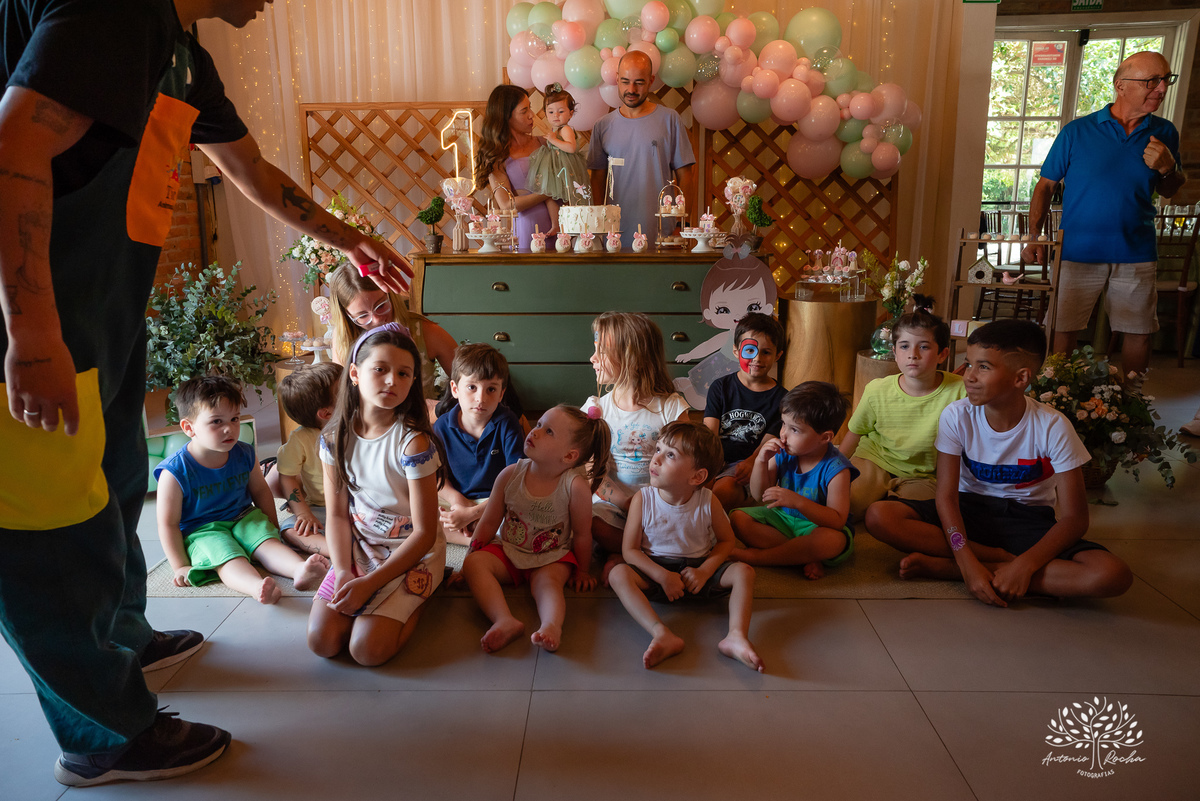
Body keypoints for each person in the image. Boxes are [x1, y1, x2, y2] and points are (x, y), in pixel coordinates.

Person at [0, 0, 404, 787]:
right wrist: (33, 330)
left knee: (115, 479)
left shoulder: (181, 51)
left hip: (102, 306)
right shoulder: (116, 11)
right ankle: (103, 733)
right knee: (50, 523)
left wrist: (346, 237)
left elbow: (251, 172)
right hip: (40, 306)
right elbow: (13, 142)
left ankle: (120, 634)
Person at [865, 320, 1133, 605]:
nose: (968, 376)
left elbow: (1075, 519)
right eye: (968, 364)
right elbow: (945, 498)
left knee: (1112, 575)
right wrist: (967, 559)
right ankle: (985, 562)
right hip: (967, 513)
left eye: (983, 367)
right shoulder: (957, 416)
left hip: (1027, 521)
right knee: (880, 516)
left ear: (1021, 378)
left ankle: (952, 569)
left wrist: (1026, 565)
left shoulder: (1052, 426)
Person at [1022, 50, 1187, 379]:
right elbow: (1044, 187)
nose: (1161, 88)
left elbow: (1170, 189)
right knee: (1063, 329)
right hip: (1076, 252)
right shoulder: (1077, 132)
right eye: (1151, 81)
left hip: (1136, 251)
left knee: (1138, 331)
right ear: (1120, 85)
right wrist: (1035, 235)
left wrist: (1169, 169)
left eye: (1165, 80)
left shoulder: (1165, 132)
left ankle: (1134, 404)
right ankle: (1055, 398)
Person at [307, 324, 448, 666]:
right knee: (321, 642)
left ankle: (424, 592)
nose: (391, 381)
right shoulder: (334, 438)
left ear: (413, 382)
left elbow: (425, 532)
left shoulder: (413, 442)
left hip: (412, 552)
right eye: (380, 369)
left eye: (403, 374)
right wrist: (342, 571)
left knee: (367, 651)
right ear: (354, 373)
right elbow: (338, 515)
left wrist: (371, 584)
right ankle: (365, 595)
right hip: (360, 545)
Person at [155, 376, 329, 603]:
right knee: (227, 556)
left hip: (243, 517)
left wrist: (272, 529)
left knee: (266, 542)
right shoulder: (175, 471)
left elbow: (261, 492)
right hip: (203, 529)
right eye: (217, 422)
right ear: (189, 427)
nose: (229, 429)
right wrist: (180, 565)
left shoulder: (244, 453)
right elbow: (167, 523)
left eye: (234, 419)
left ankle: (298, 570)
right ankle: (256, 586)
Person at [608, 421, 762, 672]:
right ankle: (661, 633)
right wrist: (662, 576)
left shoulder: (707, 500)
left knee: (744, 572)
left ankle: (736, 636)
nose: (655, 459)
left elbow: (726, 541)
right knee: (618, 573)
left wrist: (705, 571)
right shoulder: (642, 499)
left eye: (670, 455)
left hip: (699, 571)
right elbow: (630, 551)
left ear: (697, 476)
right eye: (658, 449)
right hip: (655, 572)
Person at [461, 405, 609, 653]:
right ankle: (503, 619)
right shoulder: (510, 475)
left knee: (548, 585)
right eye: (539, 424)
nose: (535, 432)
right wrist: (470, 557)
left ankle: (551, 626)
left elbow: (583, 534)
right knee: (474, 565)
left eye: (548, 431)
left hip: (551, 557)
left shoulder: (575, 487)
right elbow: (488, 523)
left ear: (570, 456)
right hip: (509, 549)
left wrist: (582, 571)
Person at [583, 312, 691, 577]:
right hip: (616, 507)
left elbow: (688, 463)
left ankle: (627, 554)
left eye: (601, 352)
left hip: (662, 504)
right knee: (590, 521)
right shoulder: (596, 410)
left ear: (633, 358)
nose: (592, 358)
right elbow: (590, 471)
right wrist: (627, 503)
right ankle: (639, 554)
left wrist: (661, 505)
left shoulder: (671, 407)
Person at [840, 297, 966, 523]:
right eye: (905, 346)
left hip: (925, 474)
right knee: (845, 503)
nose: (913, 354)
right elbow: (855, 433)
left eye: (924, 347)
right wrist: (831, 470)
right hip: (874, 459)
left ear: (942, 354)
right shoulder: (878, 389)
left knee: (908, 516)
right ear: (895, 352)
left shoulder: (959, 391)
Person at [729, 381, 858, 580]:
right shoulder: (783, 453)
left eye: (794, 430)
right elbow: (759, 495)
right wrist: (761, 461)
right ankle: (800, 555)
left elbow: (837, 521)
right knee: (738, 518)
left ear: (825, 437)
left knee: (832, 541)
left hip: (818, 528)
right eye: (783, 424)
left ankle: (760, 557)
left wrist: (798, 502)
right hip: (784, 521)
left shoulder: (837, 469)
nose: (783, 434)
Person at [588, 50, 697, 247]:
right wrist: (599, 228)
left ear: (651, 80)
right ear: (616, 79)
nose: (631, 89)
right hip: (614, 237)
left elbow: (686, 176)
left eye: (639, 82)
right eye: (625, 81)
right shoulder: (602, 126)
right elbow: (597, 180)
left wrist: (682, 224)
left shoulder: (670, 119)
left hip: (663, 235)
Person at [433, 343, 525, 545]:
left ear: (501, 394)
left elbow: (516, 481)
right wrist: (459, 503)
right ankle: (480, 539)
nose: (480, 398)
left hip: (496, 501)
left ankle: (475, 534)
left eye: (491, 389)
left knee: (525, 516)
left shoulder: (507, 423)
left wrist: (472, 514)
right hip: (457, 499)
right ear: (455, 389)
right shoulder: (441, 427)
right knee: (418, 515)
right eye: (471, 387)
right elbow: (437, 477)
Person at [326, 263, 455, 402]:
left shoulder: (425, 332)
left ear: (390, 295)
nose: (376, 320)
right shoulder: (343, 339)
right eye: (362, 316)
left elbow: (470, 378)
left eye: (381, 306)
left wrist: (441, 412)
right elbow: (340, 400)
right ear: (347, 316)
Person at [702, 312, 788, 511]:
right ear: (736, 351)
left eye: (766, 352)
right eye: (750, 350)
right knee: (693, 486)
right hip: (714, 456)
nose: (757, 359)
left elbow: (769, 442)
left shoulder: (783, 398)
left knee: (721, 493)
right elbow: (709, 435)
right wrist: (710, 468)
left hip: (748, 464)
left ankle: (748, 500)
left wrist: (752, 463)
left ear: (778, 355)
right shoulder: (720, 387)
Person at [273, 361, 343, 556]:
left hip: (363, 506)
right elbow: (287, 476)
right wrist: (303, 512)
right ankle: (341, 552)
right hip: (323, 507)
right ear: (326, 414)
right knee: (290, 529)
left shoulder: (362, 425)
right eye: (347, 388)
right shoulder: (301, 439)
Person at [475, 84, 555, 251]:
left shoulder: (545, 143)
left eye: (530, 108)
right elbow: (506, 204)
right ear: (505, 117)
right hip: (528, 229)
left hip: (559, 227)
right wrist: (546, 193)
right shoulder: (497, 155)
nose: (531, 115)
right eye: (524, 111)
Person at [526, 82, 589, 227]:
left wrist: (554, 140)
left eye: (561, 111)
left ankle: (570, 224)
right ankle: (557, 223)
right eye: (551, 112)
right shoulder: (556, 129)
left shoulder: (565, 129)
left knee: (568, 196)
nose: (556, 115)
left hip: (566, 168)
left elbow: (571, 148)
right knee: (550, 196)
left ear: (570, 113)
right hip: (555, 168)